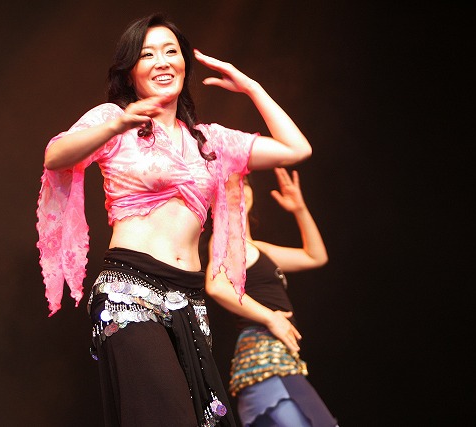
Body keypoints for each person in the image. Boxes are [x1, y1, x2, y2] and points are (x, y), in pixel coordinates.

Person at [36, 13, 312, 427]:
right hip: (130, 290)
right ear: (130, 72)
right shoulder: (115, 120)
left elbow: (296, 149)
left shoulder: (211, 141)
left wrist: (251, 87)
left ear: (184, 63)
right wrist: (116, 124)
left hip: (189, 300)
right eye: (148, 54)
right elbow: (55, 156)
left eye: (171, 51)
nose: (162, 61)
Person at [205, 168, 339, 427]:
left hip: (275, 360)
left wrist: (299, 209)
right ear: (213, 200)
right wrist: (271, 318)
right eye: (228, 185)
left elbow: (316, 256)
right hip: (264, 355)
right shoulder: (228, 241)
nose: (238, 190)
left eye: (242, 183)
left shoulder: (256, 248)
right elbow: (216, 286)